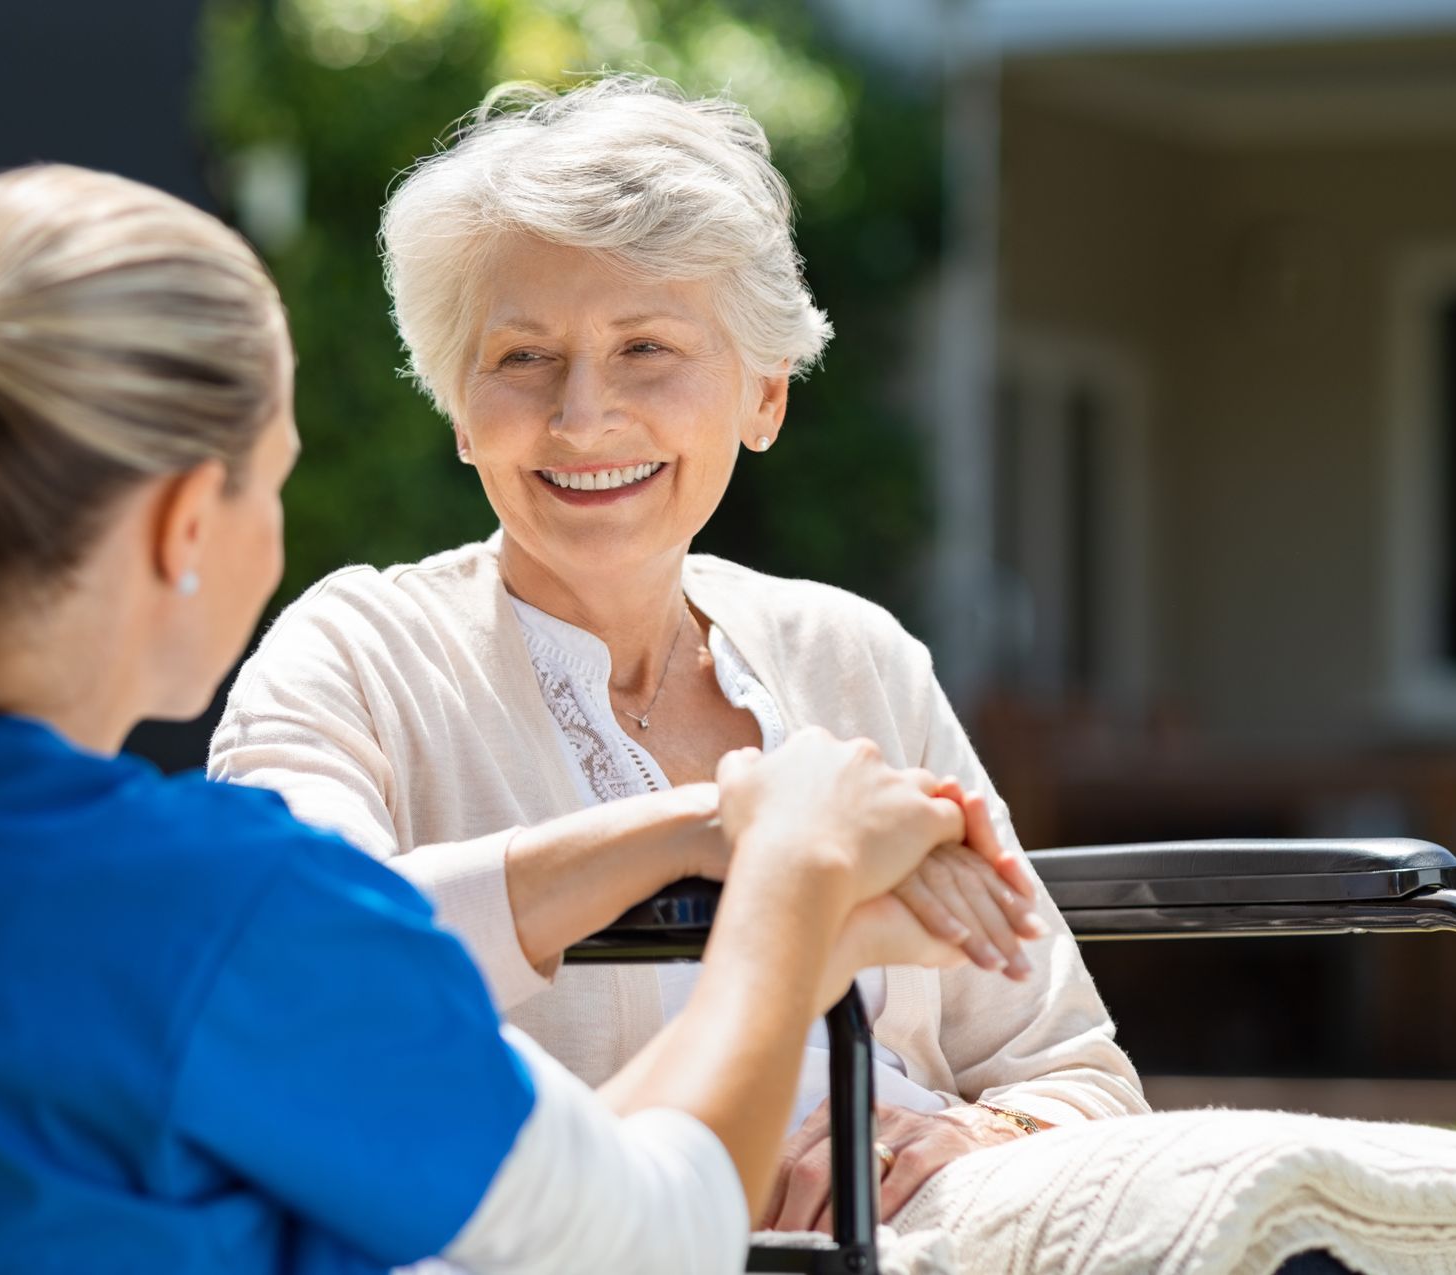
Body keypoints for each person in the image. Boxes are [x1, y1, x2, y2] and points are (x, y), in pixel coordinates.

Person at [0, 164, 1000, 1273]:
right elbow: (646, 1231)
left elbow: (365, 1001)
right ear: (189, 523)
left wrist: (699, 823)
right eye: (278, 481)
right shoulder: (217, 913)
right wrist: (793, 877)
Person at [208, 75, 1146, 1233]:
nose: (583, 416)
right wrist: (719, 829)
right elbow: (300, 971)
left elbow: (1074, 1071)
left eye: (646, 347)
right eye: (521, 359)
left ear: (764, 394)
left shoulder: (854, 658)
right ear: (459, 409)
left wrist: (967, 1136)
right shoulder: (354, 653)